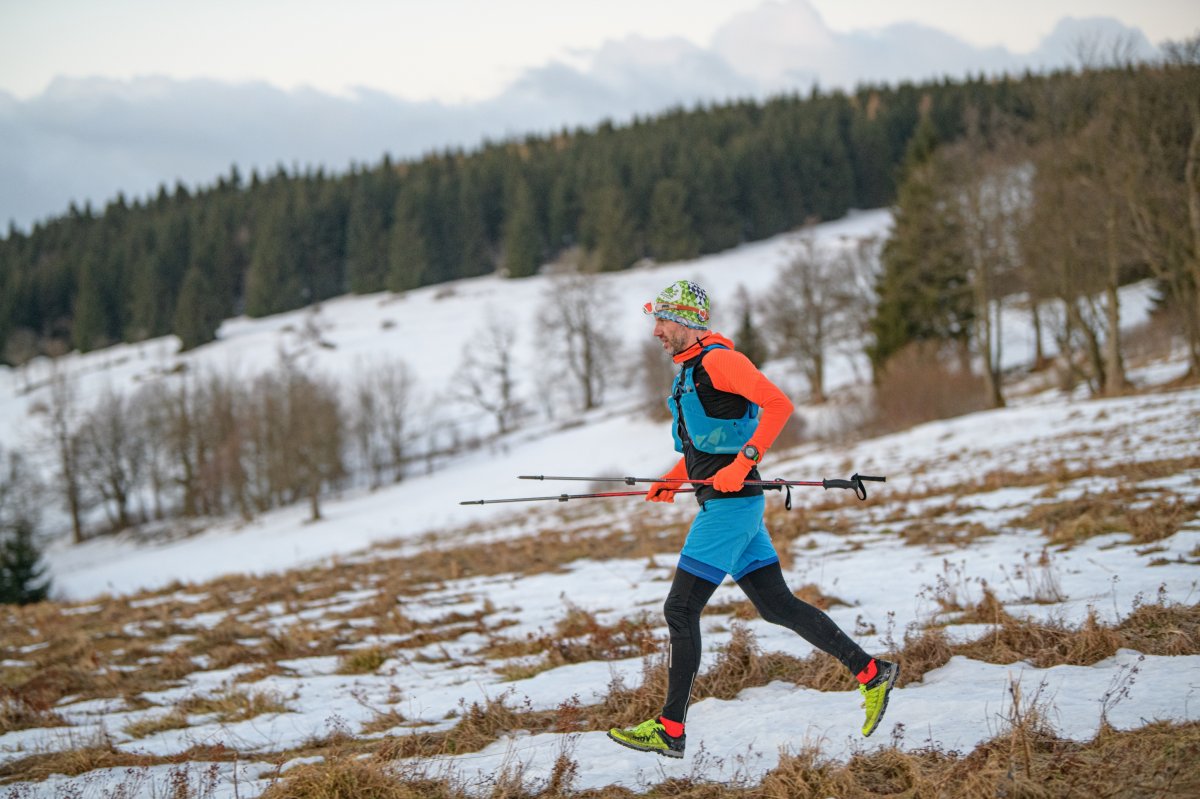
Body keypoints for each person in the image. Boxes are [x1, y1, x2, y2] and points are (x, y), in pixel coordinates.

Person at [607, 279, 898, 759]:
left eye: (663, 321)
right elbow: (707, 447)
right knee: (777, 606)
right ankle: (872, 672)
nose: (656, 330)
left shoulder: (721, 361)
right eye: (655, 321)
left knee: (680, 610)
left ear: (687, 322)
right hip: (730, 506)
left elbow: (779, 405)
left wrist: (744, 462)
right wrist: (673, 478)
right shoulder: (688, 371)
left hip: (732, 507)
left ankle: (670, 729)